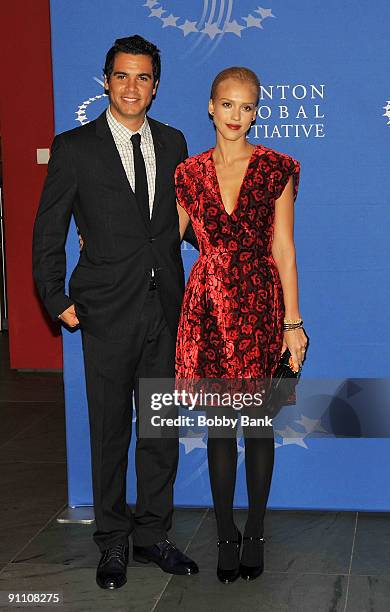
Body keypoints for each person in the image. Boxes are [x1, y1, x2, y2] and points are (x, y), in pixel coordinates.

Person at [32, 35, 199, 590]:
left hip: (165, 312)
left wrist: (237, 239)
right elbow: (49, 231)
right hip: (104, 311)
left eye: (143, 77)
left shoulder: (174, 142)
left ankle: (152, 535)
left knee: (159, 430)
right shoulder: (74, 147)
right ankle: (113, 542)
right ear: (106, 81)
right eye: (122, 76)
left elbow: (189, 223)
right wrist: (57, 300)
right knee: (109, 433)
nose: (132, 87)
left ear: (156, 85)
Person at [175, 67, 308, 583]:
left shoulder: (276, 168)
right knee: (218, 430)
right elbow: (163, 239)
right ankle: (225, 533)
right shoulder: (188, 174)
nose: (236, 116)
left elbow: (283, 248)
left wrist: (292, 323)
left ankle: (254, 531)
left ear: (257, 110)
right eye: (227, 105)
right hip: (208, 309)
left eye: (246, 106)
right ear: (211, 106)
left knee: (257, 427)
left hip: (259, 307)